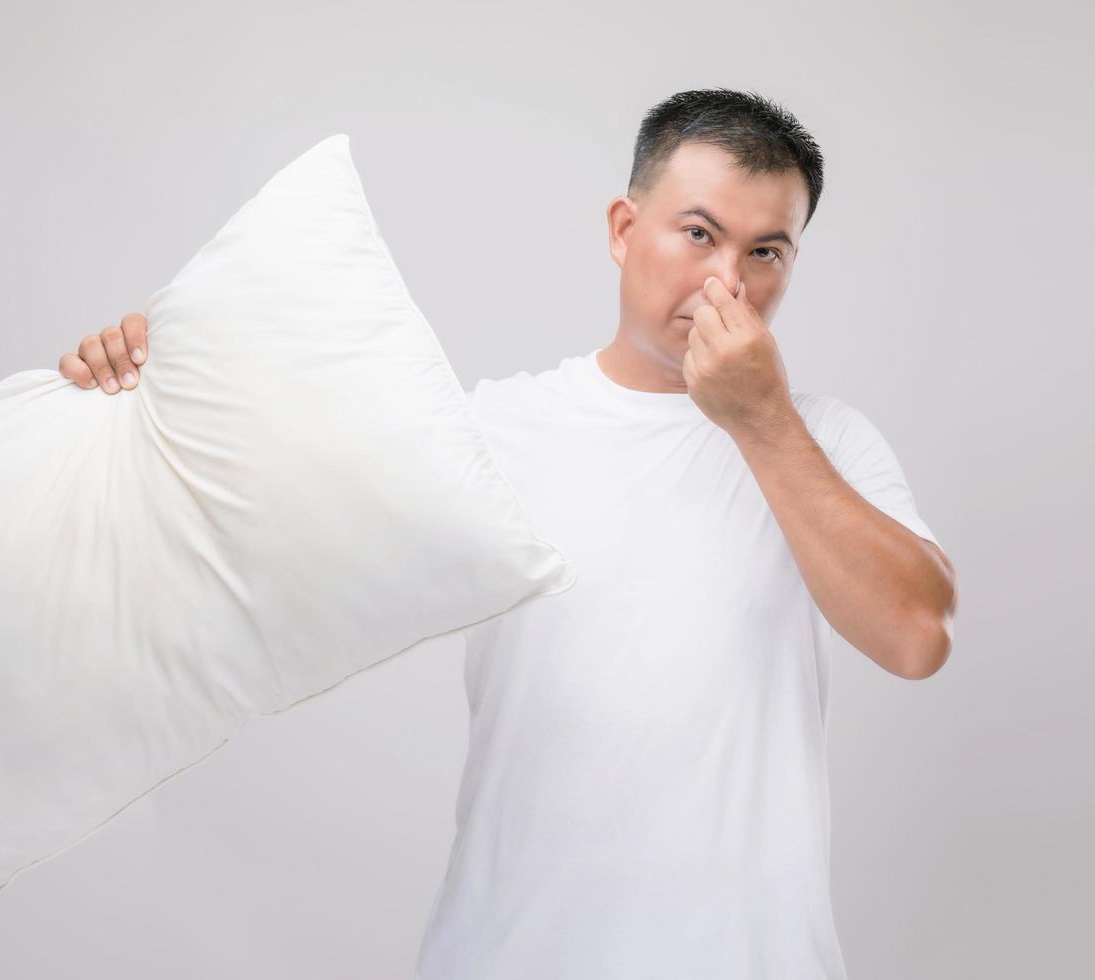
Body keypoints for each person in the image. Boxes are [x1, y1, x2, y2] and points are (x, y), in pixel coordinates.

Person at [58, 88, 959, 979]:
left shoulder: (825, 440)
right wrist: (155, 386)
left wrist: (760, 420)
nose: (729, 281)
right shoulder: (491, 433)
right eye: (698, 233)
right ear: (621, 229)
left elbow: (918, 636)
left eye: (766, 250)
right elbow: (254, 536)